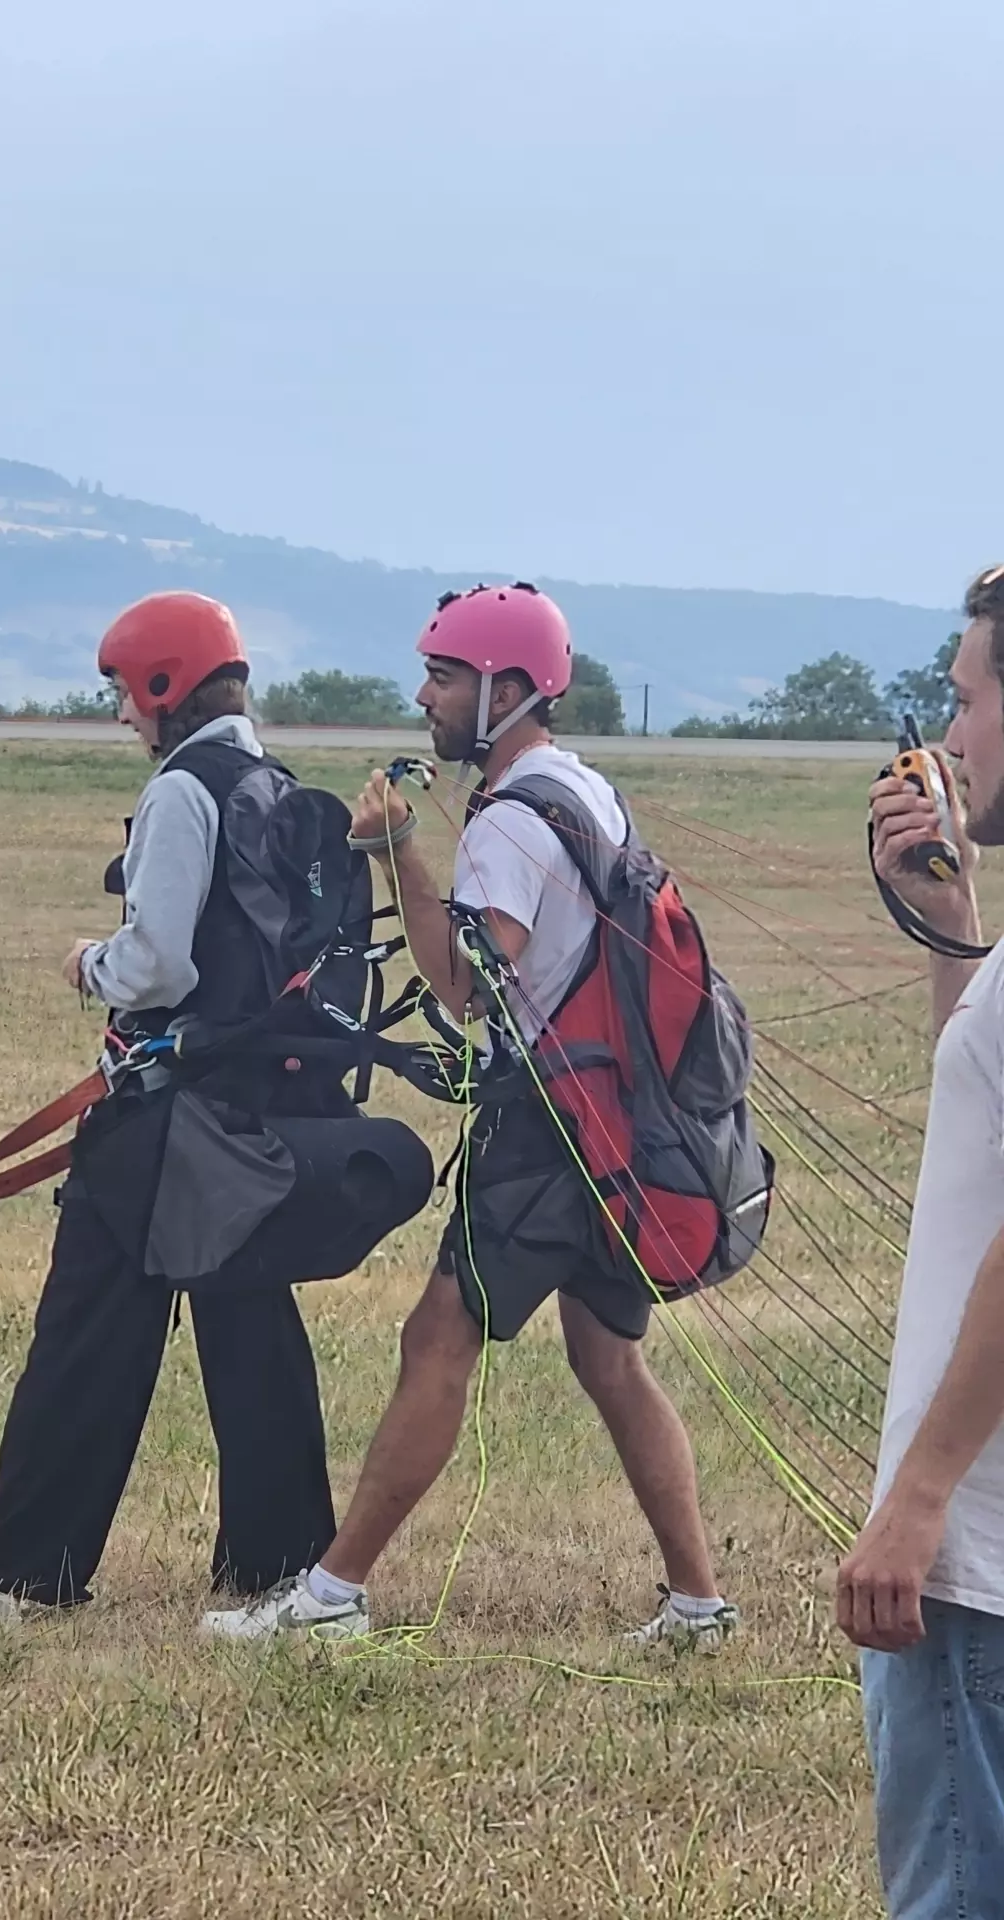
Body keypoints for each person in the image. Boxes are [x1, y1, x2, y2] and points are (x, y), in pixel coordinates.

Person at [204, 582, 738, 1648]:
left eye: (444, 678)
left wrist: (394, 848)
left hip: (548, 1130)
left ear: (504, 690)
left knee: (437, 1337)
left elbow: (459, 983)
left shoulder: (510, 824)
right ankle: (696, 1603)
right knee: (607, 1358)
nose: (426, 697)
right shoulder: (584, 789)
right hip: (614, 1124)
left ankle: (332, 1597)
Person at [0, 591, 337, 1619]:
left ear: (165, 682)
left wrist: (87, 963)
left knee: (89, 1332)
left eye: (127, 694)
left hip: (162, 1115)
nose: (124, 716)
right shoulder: (270, 784)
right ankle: (281, 1569)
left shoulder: (188, 790)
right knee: (250, 1330)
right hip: (245, 1108)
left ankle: (21, 1573)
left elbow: (159, 959)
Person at [836, 565, 1004, 1917]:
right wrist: (950, 925)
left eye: (967, 701)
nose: (950, 740)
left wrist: (922, 1498)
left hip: (984, 1568)